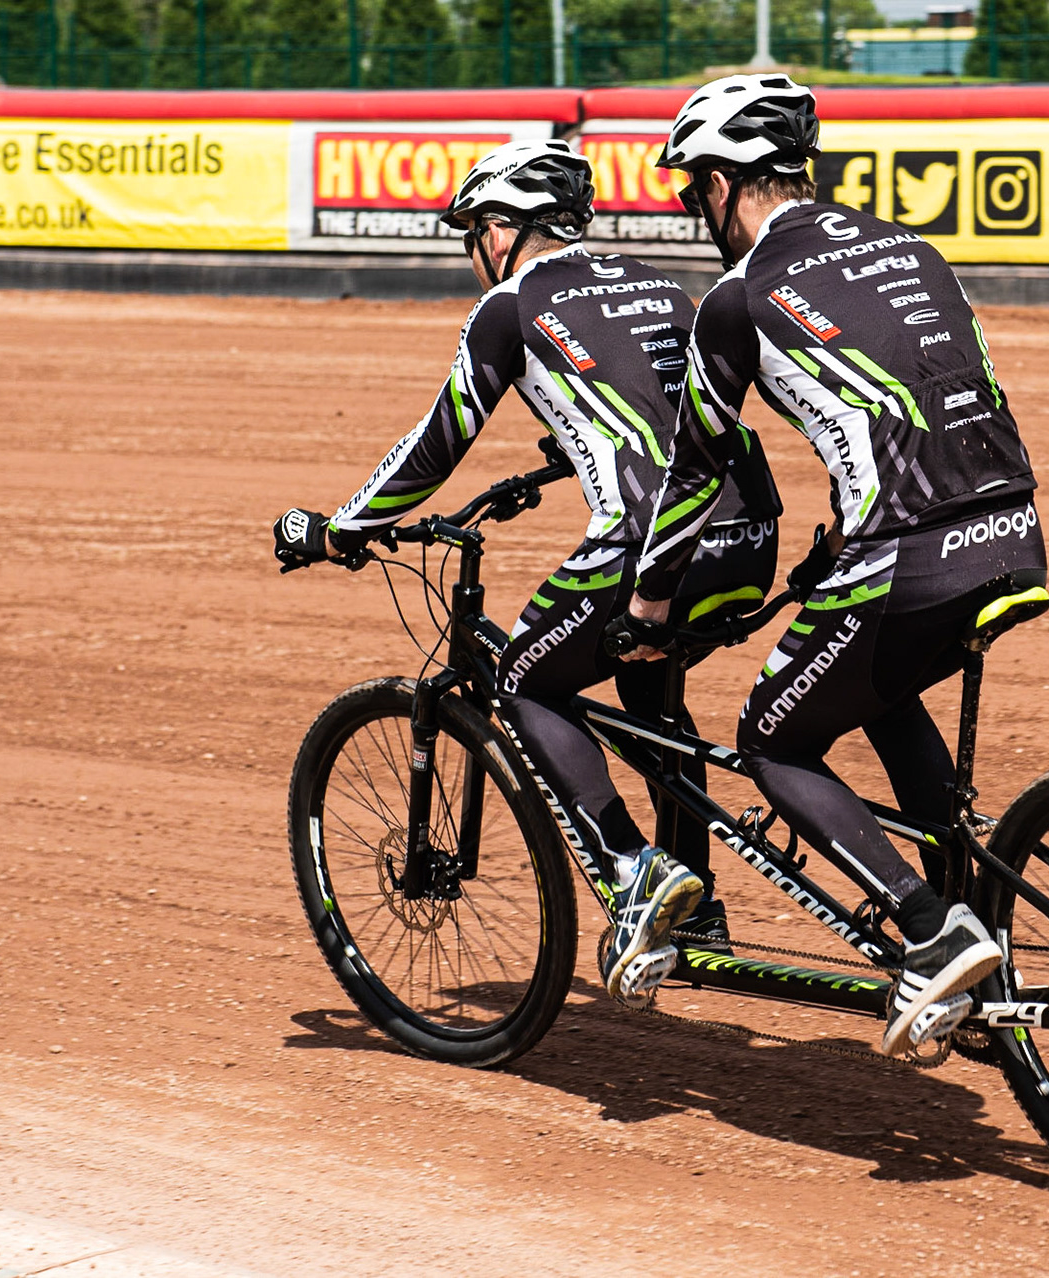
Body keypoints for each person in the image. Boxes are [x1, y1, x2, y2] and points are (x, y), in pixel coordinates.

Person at [272, 139, 778, 1006]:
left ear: (506, 229)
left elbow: (436, 444)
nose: (474, 252)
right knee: (652, 697)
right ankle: (698, 909)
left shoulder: (511, 306)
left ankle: (632, 872)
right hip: (751, 537)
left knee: (523, 679)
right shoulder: (659, 283)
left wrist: (337, 528)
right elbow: (672, 407)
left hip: (653, 545)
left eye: (475, 231)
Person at [608, 75, 1049, 1056]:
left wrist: (645, 609)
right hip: (1013, 526)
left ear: (725, 182)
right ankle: (976, 931)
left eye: (693, 192)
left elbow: (691, 472)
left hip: (908, 552)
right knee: (879, 693)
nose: (694, 212)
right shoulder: (908, 244)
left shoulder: (738, 298)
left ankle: (932, 933)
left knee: (770, 736)